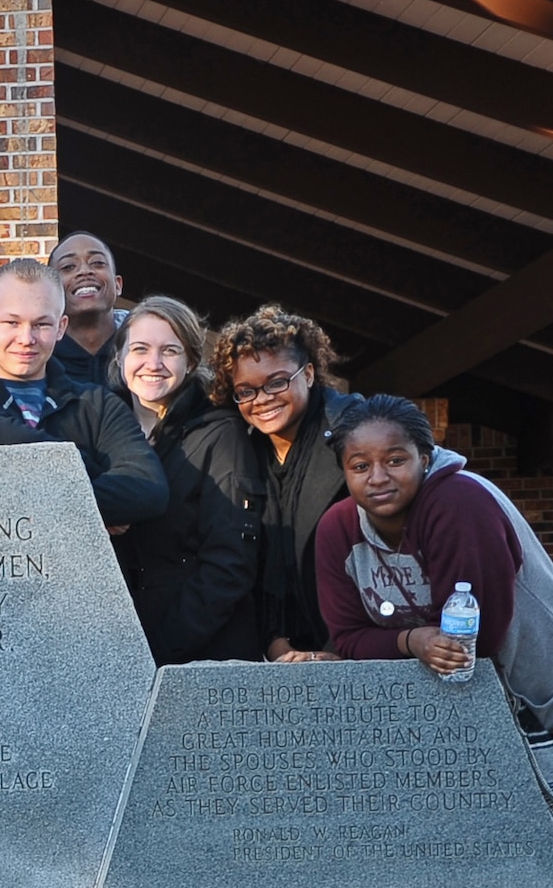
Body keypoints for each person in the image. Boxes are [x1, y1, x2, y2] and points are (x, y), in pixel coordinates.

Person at [317, 395, 553, 717]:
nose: (377, 477)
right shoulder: (337, 528)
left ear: (425, 459)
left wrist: (402, 643)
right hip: (449, 708)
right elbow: (349, 638)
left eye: (395, 460)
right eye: (360, 466)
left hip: (535, 704)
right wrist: (411, 640)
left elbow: (473, 642)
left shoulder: (459, 503)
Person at [0, 258, 169, 528]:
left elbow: (148, 491)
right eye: (12, 322)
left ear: (61, 327)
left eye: (42, 325)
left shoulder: (99, 405)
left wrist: (19, 495)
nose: (26, 338)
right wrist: (92, 485)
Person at [104, 296, 261, 664]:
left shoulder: (222, 433)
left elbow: (230, 562)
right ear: (119, 358)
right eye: (140, 349)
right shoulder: (104, 435)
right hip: (126, 653)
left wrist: (160, 651)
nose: (153, 364)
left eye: (169, 351)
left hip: (205, 655)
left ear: (190, 361)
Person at [208, 304, 361, 663]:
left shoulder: (355, 435)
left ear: (308, 374)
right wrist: (276, 643)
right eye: (246, 390)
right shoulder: (244, 454)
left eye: (277, 382)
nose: (262, 400)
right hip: (283, 657)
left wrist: (340, 650)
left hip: (356, 653)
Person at [50, 232, 125, 387]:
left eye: (97, 263)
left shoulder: (145, 351)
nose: (84, 271)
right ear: (51, 290)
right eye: (68, 267)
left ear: (118, 285)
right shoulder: (40, 358)